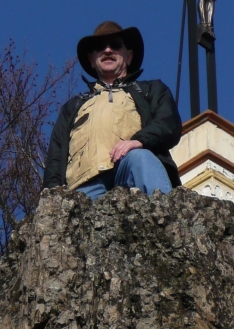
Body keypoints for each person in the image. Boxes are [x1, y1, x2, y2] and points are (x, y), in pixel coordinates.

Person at [43, 21, 181, 199]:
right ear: (92, 60)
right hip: (84, 186)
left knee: (142, 159)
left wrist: (138, 142)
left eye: (115, 45)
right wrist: (53, 198)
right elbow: (55, 157)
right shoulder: (73, 107)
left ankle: (166, 215)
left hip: (129, 168)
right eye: (100, 47)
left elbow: (168, 123)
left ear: (129, 57)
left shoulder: (150, 90)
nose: (108, 50)